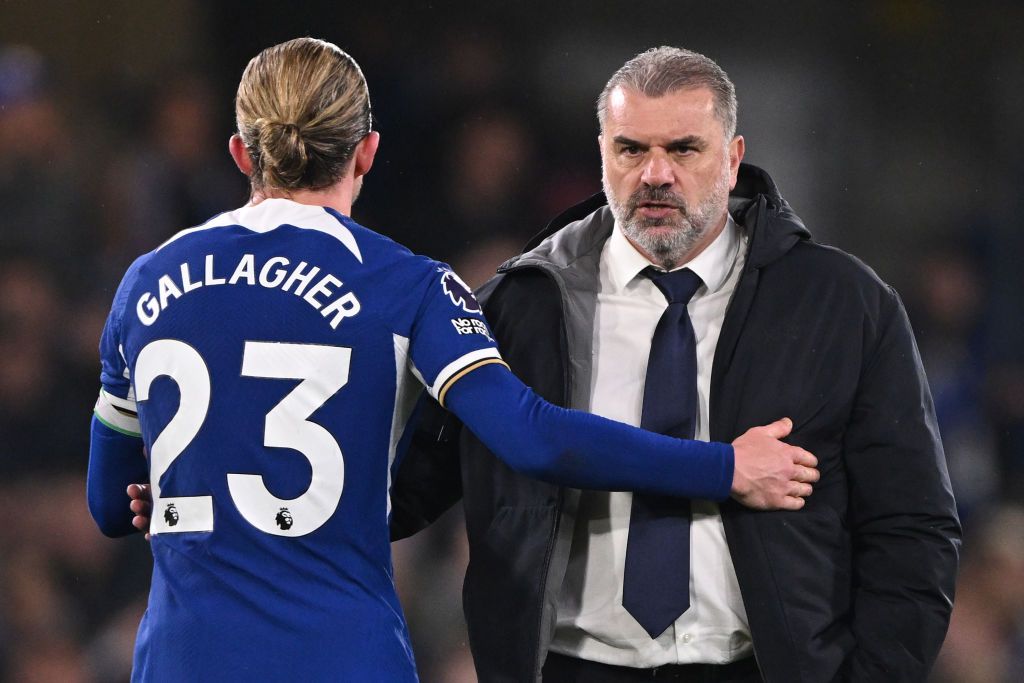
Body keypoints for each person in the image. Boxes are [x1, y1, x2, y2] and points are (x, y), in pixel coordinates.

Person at [87, 38, 819, 682]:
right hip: (343, 659)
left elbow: (107, 503)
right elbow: (535, 436)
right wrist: (723, 466)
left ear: (242, 153)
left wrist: (181, 495)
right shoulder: (406, 284)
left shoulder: (147, 281)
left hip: (182, 660)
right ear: (367, 150)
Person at [387, 47, 962, 682]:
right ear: (601, 151)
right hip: (570, 667)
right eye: (631, 149)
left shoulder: (843, 304)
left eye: (684, 149)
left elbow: (913, 527)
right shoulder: (519, 304)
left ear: (734, 157)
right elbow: (407, 494)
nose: (655, 174)